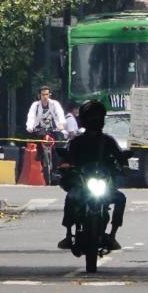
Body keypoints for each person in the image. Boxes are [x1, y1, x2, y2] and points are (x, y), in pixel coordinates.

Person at [57, 101, 127, 251]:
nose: (94, 122)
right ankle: (69, 235)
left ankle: (113, 235)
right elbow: (66, 157)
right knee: (70, 198)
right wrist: (66, 166)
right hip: (82, 183)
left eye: (97, 118)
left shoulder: (108, 141)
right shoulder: (76, 142)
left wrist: (124, 166)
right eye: (91, 118)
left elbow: (121, 157)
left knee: (120, 198)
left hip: (104, 183)